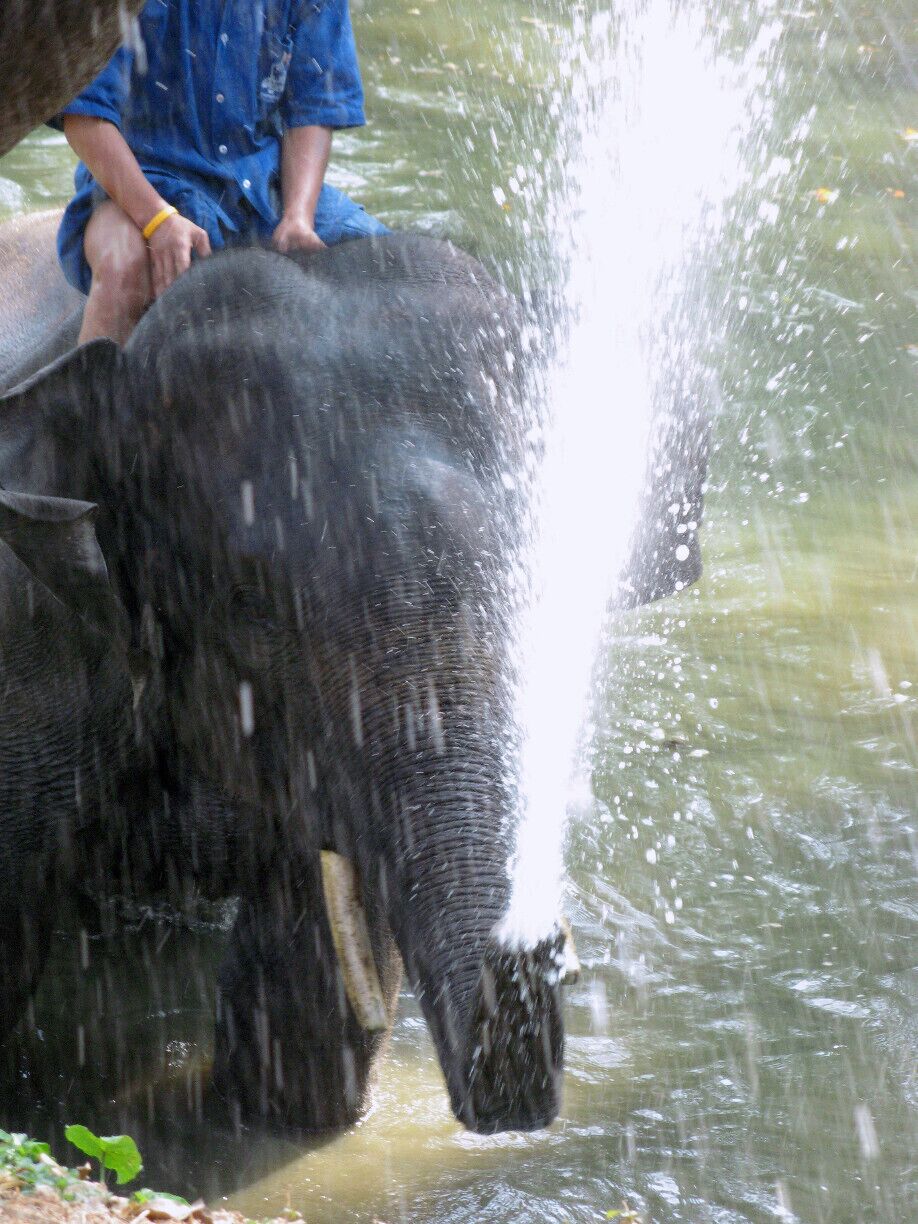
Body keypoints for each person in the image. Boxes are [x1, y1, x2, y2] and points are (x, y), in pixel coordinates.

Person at [52, 0, 388, 345]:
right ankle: (92, 398)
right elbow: (85, 120)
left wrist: (298, 216)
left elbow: (313, 110)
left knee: (395, 266)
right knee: (123, 269)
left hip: (264, 192)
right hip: (143, 187)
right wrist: (157, 220)